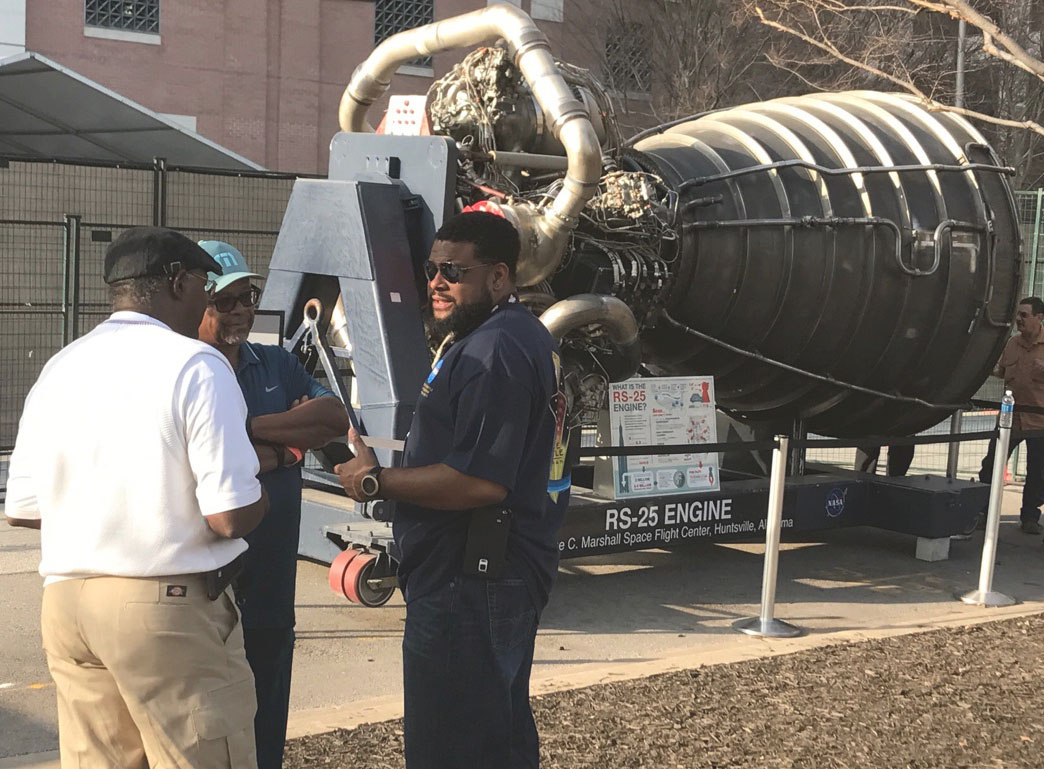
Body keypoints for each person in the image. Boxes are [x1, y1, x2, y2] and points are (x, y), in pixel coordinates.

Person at [5, 226, 269, 769]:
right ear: (177, 281)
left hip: (69, 605)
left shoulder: (61, 367)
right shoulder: (197, 365)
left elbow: (24, 508)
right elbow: (229, 515)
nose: (206, 299)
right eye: (204, 283)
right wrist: (272, 477)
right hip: (164, 610)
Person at [335, 211, 570, 769]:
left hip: (471, 580)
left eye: (453, 272)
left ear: (499, 278)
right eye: (431, 269)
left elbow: (482, 480)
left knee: (451, 745)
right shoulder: (498, 338)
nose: (436, 283)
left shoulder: (496, 351)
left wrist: (375, 480)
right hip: (479, 575)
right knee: (494, 738)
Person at [197, 240, 350, 769]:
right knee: (207, 716)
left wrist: (245, 431)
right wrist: (286, 446)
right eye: (226, 301)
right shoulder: (188, 373)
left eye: (248, 297)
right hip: (205, 578)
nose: (241, 310)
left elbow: (332, 418)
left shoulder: (276, 364)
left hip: (270, 578)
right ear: (198, 303)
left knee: (267, 712)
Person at [977, 296, 1044, 535]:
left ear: (1039, 318)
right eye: (1018, 315)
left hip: (1039, 423)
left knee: (1038, 471)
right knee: (991, 466)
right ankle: (982, 512)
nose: (1019, 319)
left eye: (1024, 315)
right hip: (1010, 420)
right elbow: (1001, 371)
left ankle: (1029, 518)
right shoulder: (1012, 344)